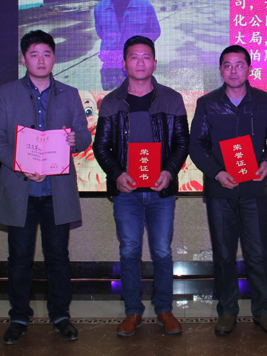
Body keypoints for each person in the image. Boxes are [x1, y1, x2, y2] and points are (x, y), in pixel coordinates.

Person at [0, 30, 90, 345]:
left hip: (57, 191)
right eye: (34, 54)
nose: (41, 60)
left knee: (58, 256)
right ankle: (19, 317)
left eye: (46, 53)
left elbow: (84, 134)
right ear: (24, 59)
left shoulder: (70, 94)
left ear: (54, 58)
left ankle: (61, 316)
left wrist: (76, 139)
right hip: (21, 190)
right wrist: (21, 163)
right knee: (19, 257)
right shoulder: (5, 94)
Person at [93, 35, 189, 336]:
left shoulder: (172, 98)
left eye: (146, 57)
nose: (140, 62)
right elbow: (101, 147)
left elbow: (182, 142)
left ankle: (164, 309)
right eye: (134, 57)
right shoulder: (111, 101)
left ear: (155, 63)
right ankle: (133, 311)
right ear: (124, 63)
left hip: (161, 191)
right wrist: (117, 174)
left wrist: (169, 172)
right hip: (127, 193)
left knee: (162, 251)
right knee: (130, 251)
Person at [189, 45, 267, 336]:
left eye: (239, 65)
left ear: (249, 69)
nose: (233, 71)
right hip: (220, 191)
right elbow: (197, 145)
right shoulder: (207, 103)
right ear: (220, 70)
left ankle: (263, 311)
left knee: (257, 254)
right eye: (228, 65)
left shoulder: (264, 101)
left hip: (253, 188)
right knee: (223, 255)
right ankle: (227, 311)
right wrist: (217, 173)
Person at [94, 0, 161, 90]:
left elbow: (155, 32)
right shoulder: (100, 8)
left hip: (137, 66)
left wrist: (137, 48)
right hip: (110, 66)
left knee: (138, 98)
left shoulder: (145, 6)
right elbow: (101, 33)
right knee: (112, 98)